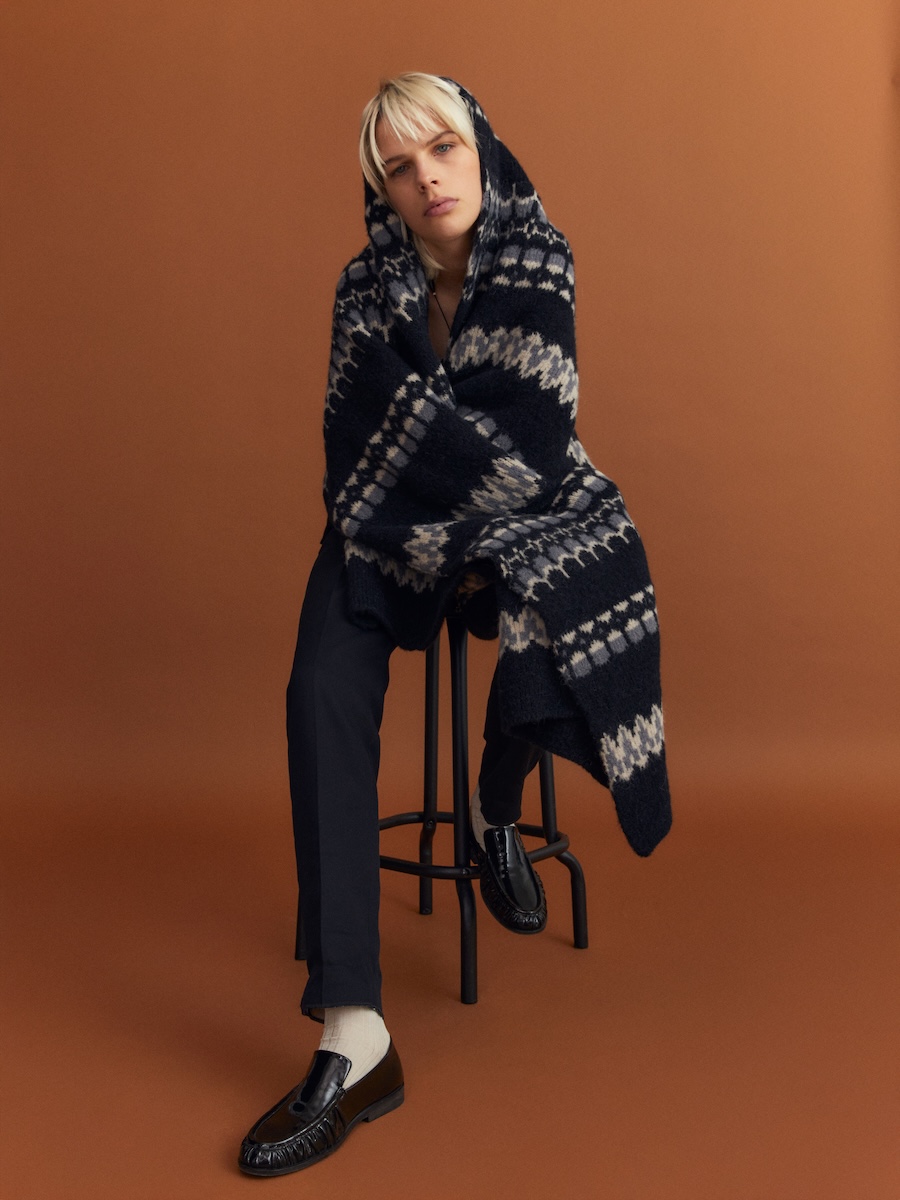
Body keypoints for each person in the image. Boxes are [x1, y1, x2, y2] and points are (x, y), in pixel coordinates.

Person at [238, 73, 672, 1177]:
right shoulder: (363, 288)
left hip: (526, 510)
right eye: (399, 165)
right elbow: (354, 445)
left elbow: (532, 448)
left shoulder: (540, 259)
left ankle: (492, 811)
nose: (427, 177)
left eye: (443, 147)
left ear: (480, 145)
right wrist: (421, 470)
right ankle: (355, 1031)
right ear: (380, 189)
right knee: (318, 683)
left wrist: (424, 442)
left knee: (548, 597)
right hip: (385, 519)